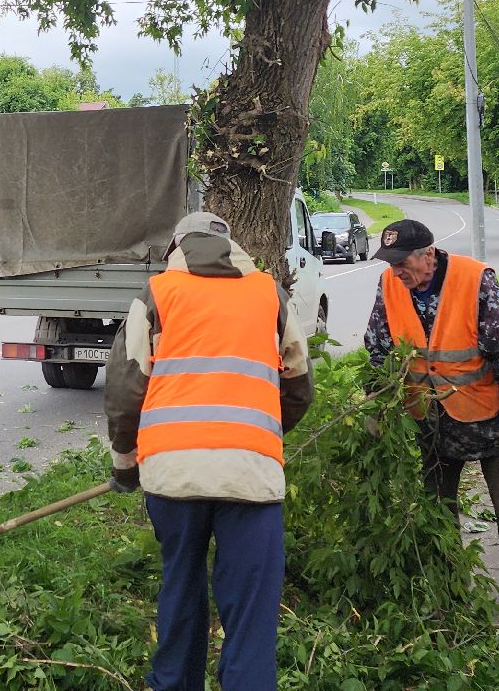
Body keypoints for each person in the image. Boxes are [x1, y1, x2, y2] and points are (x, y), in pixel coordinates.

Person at [104, 212, 312, 691]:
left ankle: (175, 682)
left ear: (175, 248)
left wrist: (126, 465)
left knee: (181, 585)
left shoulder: (157, 293)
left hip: (173, 476)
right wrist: (260, 436)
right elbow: (299, 385)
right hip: (251, 476)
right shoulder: (269, 293)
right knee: (251, 614)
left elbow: (125, 389)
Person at [365, 218, 499, 668]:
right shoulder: (390, 285)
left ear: (427, 255)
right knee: (437, 518)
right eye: (390, 263)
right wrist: (378, 403)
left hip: (488, 421)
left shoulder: (475, 281)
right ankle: (449, 613)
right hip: (429, 423)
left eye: (402, 263)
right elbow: (379, 349)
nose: (396, 271)